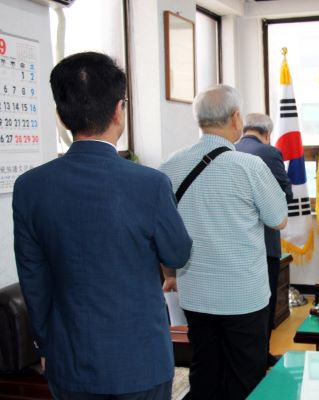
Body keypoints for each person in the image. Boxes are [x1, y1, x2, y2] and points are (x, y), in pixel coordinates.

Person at [13, 52, 192, 399]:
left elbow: (33, 279)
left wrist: (46, 346)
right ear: (118, 111)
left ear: (60, 116)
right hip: (141, 360)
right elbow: (178, 253)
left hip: (69, 360)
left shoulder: (30, 187)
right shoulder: (150, 184)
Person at [159, 85, 288, 400]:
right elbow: (279, 219)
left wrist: (170, 274)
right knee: (245, 376)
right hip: (243, 295)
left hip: (195, 292)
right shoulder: (249, 166)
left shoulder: (170, 166)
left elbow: (162, 229)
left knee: (205, 371)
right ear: (235, 118)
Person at [235, 113, 293, 368]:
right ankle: (261, 356)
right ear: (267, 133)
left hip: (235, 243)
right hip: (264, 241)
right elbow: (285, 195)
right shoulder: (269, 153)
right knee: (264, 304)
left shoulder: (230, 149)